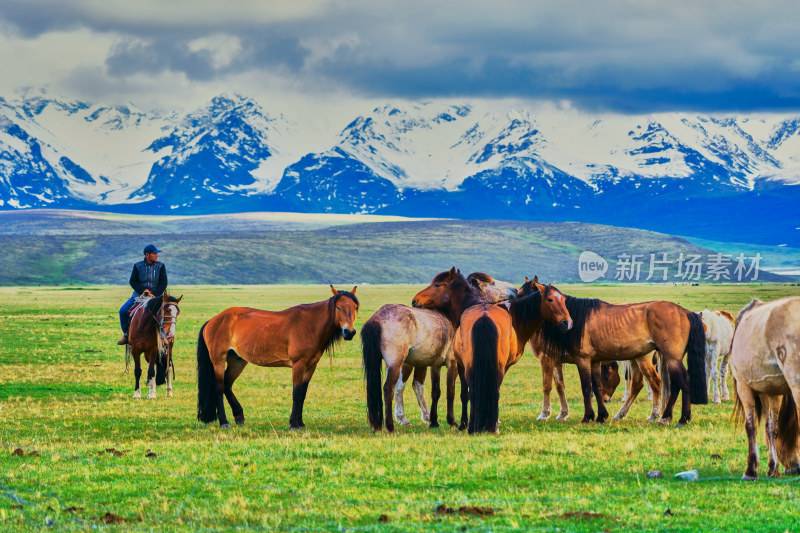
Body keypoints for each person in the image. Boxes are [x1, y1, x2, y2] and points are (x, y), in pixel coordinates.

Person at [117, 244, 168, 345]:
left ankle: (163, 335)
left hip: (156, 297)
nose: (157, 255)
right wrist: (143, 291)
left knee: (166, 313)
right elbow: (133, 281)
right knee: (122, 311)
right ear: (147, 255)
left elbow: (163, 282)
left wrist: (154, 294)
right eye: (154, 253)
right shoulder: (137, 266)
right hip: (139, 296)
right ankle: (127, 335)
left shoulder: (161, 266)